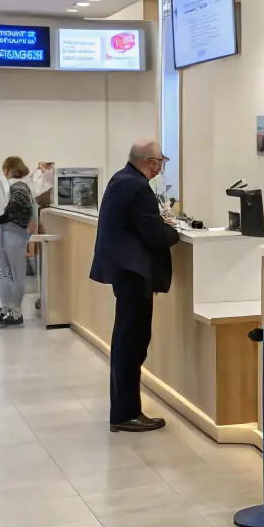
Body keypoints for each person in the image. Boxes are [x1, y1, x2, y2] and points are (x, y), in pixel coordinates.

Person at [90, 140, 180, 433]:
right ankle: (126, 413)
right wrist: (173, 233)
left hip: (124, 272)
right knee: (132, 343)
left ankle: (125, 409)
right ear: (151, 162)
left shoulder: (121, 179)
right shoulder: (138, 187)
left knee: (127, 340)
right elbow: (154, 235)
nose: (160, 168)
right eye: (160, 162)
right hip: (134, 274)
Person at [0, 157, 35, 327]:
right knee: (4, 271)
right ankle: (7, 307)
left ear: (9, 168)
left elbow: (20, 203)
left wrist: (5, 215)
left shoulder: (19, 185)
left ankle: (15, 310)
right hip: (4, 228)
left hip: (14, 229)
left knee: (15, 272)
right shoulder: (14, 185)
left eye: (4, 168)